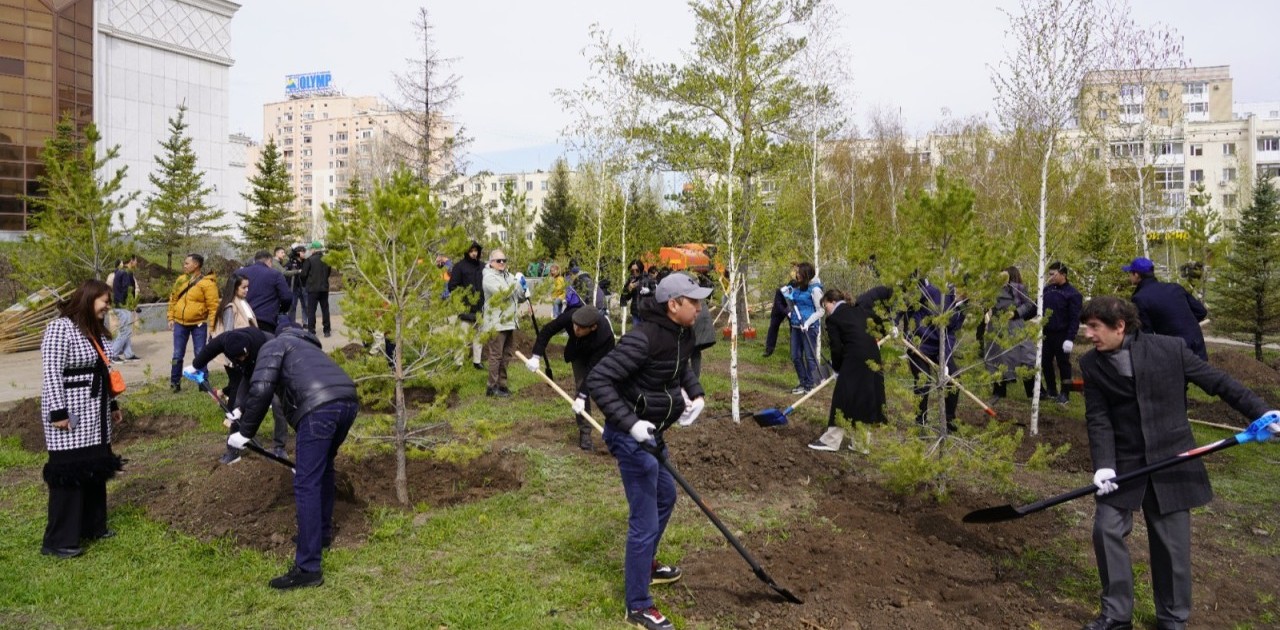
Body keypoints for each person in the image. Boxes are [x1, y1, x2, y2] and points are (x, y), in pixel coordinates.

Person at [1077, 296, 1276, 630]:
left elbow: (1218, 383)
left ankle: (1172, 618)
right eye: (1087, 327)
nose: (1088, 334)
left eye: (1094, 327)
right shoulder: (1091, 364)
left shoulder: (1169, 349)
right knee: (1106, 528)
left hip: (1172, 458)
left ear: (1120, 326)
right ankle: (1115, 613)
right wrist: (1104, 464)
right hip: (1124, 461)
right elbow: (1098, 417)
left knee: (1171, 545)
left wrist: (1261, 412)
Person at [586, 273, 710, 630]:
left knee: (666, 497)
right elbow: (598, 379)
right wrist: (630, 423)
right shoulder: (642, 339)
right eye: (694, 302)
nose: (700, 308)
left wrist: (696, 394)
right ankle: (638, 605)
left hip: (653, 431)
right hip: (631, 435)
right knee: (644, 520)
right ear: (674, 305)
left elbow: (680, 368)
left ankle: (647, 565)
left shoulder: (681, 334)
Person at [217, 326, 359, 590]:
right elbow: (261, 388)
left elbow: (261, 388)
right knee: (324, 469)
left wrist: (245, 432)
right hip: (347, 403)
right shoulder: (307, 347)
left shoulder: (274, 345)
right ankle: (322, 535)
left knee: (306, 483)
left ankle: (308, 568)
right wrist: (240, 410)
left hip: (319, 409)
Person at [39, 279, 125, 559]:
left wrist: (112, 404)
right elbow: (51, 373)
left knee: (94, 468)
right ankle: (59, 540)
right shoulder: (59, 328)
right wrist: (58, 412)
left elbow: (104, 367)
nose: (107, 307)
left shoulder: (95, 329)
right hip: (70, 412)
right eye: (104, 301)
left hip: (95, 413)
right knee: (70, 472)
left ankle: (93, 526)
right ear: (89, 299)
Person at [809, 287, 890, 451]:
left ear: (832, 301)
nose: (826, 312)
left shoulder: (834, 319)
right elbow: (880, 324)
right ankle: (861, 443)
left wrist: (837, 369)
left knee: (843, 397)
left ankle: (831, 441)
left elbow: (836, 348)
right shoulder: (860, 311)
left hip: (855, 359)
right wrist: (880, 335)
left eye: (825, 307)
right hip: (873, 356)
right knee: (863, 397)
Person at [527, 304, 616, 451]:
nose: (575, 330)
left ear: (593, 327)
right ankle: (585, 433)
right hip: (578, 354)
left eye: (580, 328)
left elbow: (593, 370)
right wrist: (536, 356)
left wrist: (583, 395)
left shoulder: (604, 336)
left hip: (600, 359)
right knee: (581, 387)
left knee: (604, 392)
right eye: (574, 326)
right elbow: (547, 330)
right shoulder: (572, 316)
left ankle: (615, 433)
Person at [901, 276, 964, 430]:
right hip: (918, 344)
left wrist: (946, 359)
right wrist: (907, 330)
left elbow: (951, 333)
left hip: (939, 348)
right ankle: (920, 420)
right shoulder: (936, 292)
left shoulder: (963, 307)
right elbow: (910, 304)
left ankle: (949, 421)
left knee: (954, 378)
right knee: (923, 381)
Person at [1124, 256, 1208, 361]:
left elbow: (1146, 335)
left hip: (1175, 351)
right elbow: (1201, 311)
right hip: (1198, 346)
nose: (1129, 277)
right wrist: (1184, 324)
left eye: (1130, 273)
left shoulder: (1139, 298)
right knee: (1202, 376)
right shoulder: (1175, 287)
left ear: (1136, 275)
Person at [984, 266, 1038, 405]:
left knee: (1026, 355)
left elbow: (1029, 304)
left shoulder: (1018, 289)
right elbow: (986, 303)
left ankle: (1033, 392)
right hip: (997, 327)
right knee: (998, 357)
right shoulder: (993, 289)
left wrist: (1015, 313)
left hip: (1015, 326)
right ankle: (999, 391)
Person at [167, 253, 219, 392]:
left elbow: (213, 307)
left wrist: (212, 327)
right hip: (180, 323)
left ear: (196, 265)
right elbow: (173, 299)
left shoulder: (207, 283)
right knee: (177, 354)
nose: (184, 266)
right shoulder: (181, 280)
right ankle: (174, 382)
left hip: (199, 324)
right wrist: (171, 317)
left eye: (186, 263)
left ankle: (203, 383)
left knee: (200, 353)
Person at [1042, 261, 1084, 404]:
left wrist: (1070, 338)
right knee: (1045, 362)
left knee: (1063, 364)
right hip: (1046, 333)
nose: (1051, 277)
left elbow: (1074, 318)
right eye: (1049, 274)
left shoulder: (1073, 294)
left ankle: (1065, 393)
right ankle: (1051, 390)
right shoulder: (1047, 291)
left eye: (1053, 274)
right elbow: (1035, 307)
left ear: (1063, 275)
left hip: (1062, 334)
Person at [482, 249, 521, 397]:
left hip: (510, 321)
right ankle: (491, 387)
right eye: (499, 260)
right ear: (491, 262)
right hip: (496, 322)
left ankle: (502, 384)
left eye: (504, 260)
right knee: (496, 356)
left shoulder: (508, 276)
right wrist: (516, 284)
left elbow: (519, 296)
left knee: (507, 355)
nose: (502, 263)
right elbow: (504, 294)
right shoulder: (489, 278)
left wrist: (523, 289)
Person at [781, 262, 824, 394]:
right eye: (797, 272)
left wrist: (808, 323)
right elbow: (794, 304)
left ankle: (811, 384)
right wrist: (790, 312)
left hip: (809, 328)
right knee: (795, 356)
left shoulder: (815, 290)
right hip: (796, 326)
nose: (796, 274)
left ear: (806, 274)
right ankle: (803, 382)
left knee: (810, 357)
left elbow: (821, 311)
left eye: (799, 272)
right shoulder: (798, 288)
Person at [447, 241, 485, 369]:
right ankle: (458, 362)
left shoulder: (483, 266)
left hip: (480, 307)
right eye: (471, 251)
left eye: (476, 251)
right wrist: (465, 295)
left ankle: (477, 361)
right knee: (461, 337)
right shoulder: (459, 267)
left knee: (479, 337)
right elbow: (452, 286)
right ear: (467, 252)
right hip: (465, 308)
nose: (474, 253)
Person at [237, 250, 293, 335]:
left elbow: (229, 295)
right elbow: (287, 297)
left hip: (241, 319)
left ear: (254, 260)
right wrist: (281, 310)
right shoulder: (275, 274)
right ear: (269, 261)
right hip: (266, 320)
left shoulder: (239, 273)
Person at [110, 254, 141, 361]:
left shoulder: (122, 272)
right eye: (136, 261)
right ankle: (113, 354)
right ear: (131, 261)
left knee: (127, 330)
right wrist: (131, 305)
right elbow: (126, 291)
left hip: (121, 305)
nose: (137, 263)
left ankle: (128, 354)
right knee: (125, 331)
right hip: (122, 306)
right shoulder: (125, 273)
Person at [300, 241, 332, 338]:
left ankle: (311, 331)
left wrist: (306, 284)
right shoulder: (327, 260)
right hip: (324, 288)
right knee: (325, 309)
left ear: (313, 249)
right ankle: (327, 331)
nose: (310, 250)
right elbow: (328, 272)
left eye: (310, 249)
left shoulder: (309, 260)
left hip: (312, 289)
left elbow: (303, 274)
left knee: (311, 310)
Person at [284, 245, 306, 323]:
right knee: (293, 306)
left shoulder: (306, 262)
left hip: (304, 287)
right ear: (297, 253)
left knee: (305, 305)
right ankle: (291, 322)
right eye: (302, 252)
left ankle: (305, 322)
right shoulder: (290, 263)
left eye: (304, 252)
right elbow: (285, 274)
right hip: (294, 288)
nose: (304, 254)